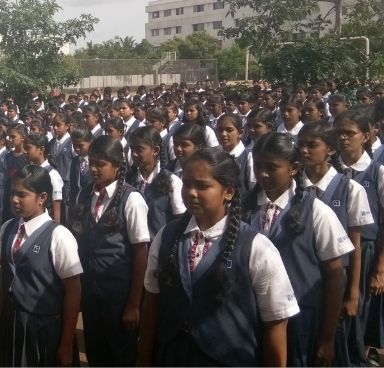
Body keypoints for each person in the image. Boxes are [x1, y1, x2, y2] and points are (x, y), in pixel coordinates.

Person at [138, 148, 299, 366]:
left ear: (228, 192)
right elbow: (151, 302)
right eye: (186, 184)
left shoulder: (257, 248)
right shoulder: (166, 236)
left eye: (202, 186)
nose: (191, 193)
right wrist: (144, 358)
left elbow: (276, 322)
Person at [245, 132, 353, 366]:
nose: (263, 174)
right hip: (253, 320)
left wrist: (327, 338)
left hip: (301, 322)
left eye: (272, 167)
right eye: (258, 166)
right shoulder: (244, 210)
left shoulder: (316, 212)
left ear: (293, 168)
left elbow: (335, 275)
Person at [298, 120, 372, 365]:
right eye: (300, 145)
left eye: (312, 145)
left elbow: (356, 246)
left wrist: (352, 294)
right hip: (303, 279)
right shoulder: (294, 188)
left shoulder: (350, 189)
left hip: (337, 280)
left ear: (330, 149)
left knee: (333, 345)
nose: (304, 150)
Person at [71, 135, 149, 366]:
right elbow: (79, 241)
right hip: (91, 290)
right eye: (91, 162)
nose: (94, 169)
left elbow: (140, 252)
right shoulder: (84, 194)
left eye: (101, 164)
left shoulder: (131, 199)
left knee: (121, 352)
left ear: (116, 166)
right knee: (95, 348)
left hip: (119, 294)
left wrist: (134, 304)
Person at [0, 164, 82, 366]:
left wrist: (66, 343)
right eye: (12, 193)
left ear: (42, 197)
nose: (14, 199)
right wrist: (1, 323)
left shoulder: (59, 236)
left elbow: (73, 291)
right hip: (12, 321)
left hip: (43, 328)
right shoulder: (7, 229)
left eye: (22, 195)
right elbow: (7, 280)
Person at [333, 108, 384, 364]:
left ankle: (360, 355)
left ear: (365, 135)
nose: (343, 138)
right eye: (339, 133)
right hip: (335, 253)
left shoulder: (377, 172)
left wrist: (380, 268)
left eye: (349, 133)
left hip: (366, 251)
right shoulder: (331, 171)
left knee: (360, 309)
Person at [126, 126, 186, 237]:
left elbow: (180, 220)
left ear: (155, 150)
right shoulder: (128, 180)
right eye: (132, 149)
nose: (134, 154)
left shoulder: (172, 182)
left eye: (139, 149)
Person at [24, 132, 63, 223]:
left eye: (28, 148)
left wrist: (54, 227)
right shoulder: (29, 170)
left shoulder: (52, 174)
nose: (25, 152)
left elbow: (56, 205)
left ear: (41, 149)